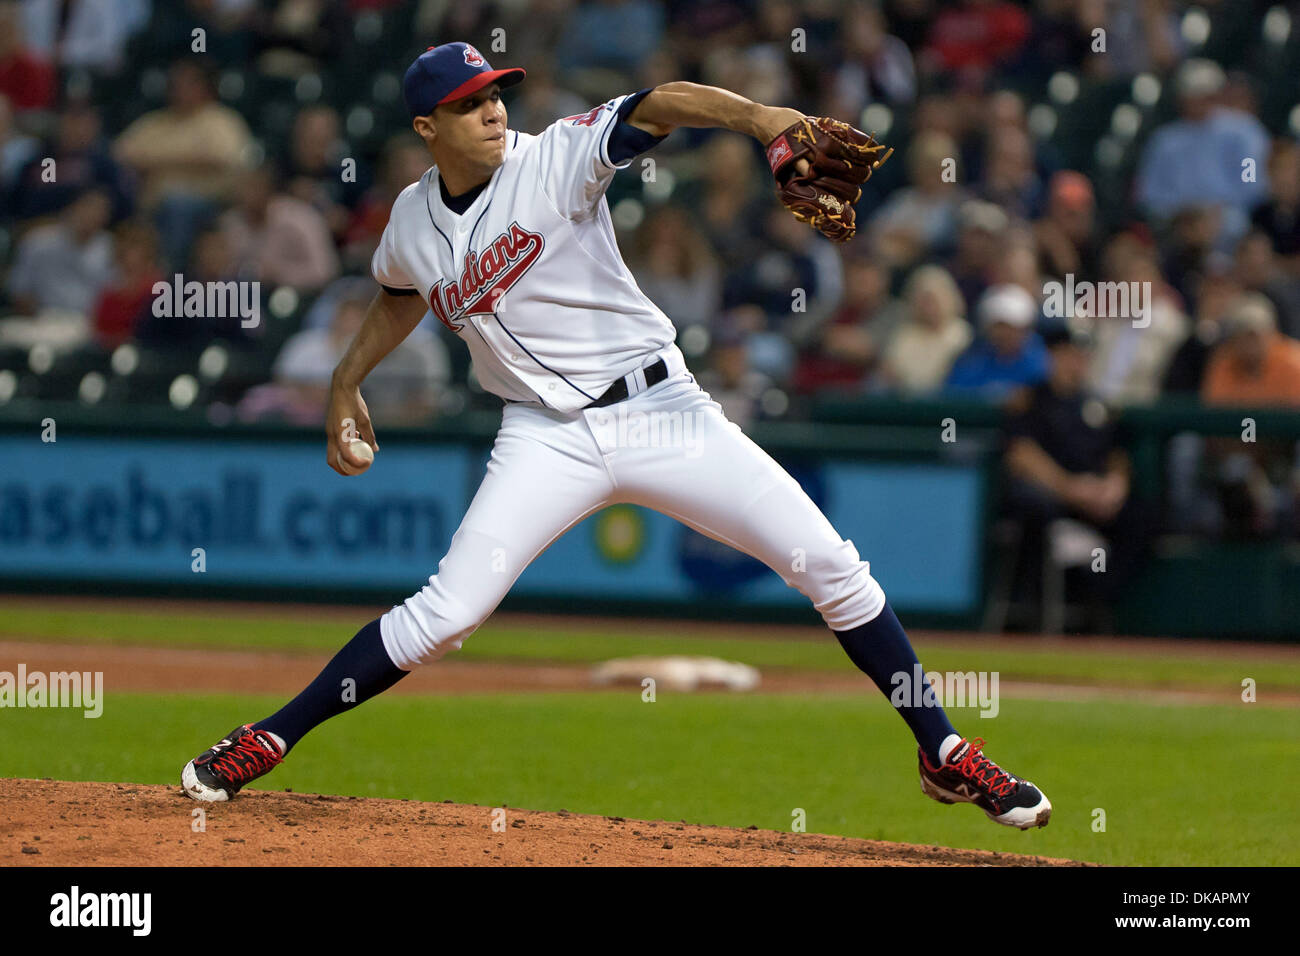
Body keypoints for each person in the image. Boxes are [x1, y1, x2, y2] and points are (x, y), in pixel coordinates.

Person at [179, 41, 1052, 832]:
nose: (493, 110)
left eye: (497, 94)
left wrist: (761, 118)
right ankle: (270, 737)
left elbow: (661, 101)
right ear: (427, 125)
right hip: (541, 437)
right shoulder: (410, 222)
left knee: (827, 564)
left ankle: (941, 752)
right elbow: (400, 293)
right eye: (471, 101)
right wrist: (344, 376)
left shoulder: (555, 157)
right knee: (447, 615)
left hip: (663, 413)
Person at [1001, 323, 1152, 617]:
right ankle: (1035, 610)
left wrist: (1114, 485)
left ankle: (1098, 601)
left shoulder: (1096, 403)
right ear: (1052, 356)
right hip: (1054, 497)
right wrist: (1069, 488)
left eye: (1082, 355)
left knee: (1141, 516)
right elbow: (1021, 455)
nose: (1076, 362)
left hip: (1094, 499)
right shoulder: (1031, 399)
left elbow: (1117, 452)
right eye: (1068, 354)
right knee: (1033, 507)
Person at [944, 284, 1049, 400]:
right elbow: (955, 394)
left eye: (1012, 327)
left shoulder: (1041, 360)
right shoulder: (971, 360)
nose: (1005, 334)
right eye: (999, 326)